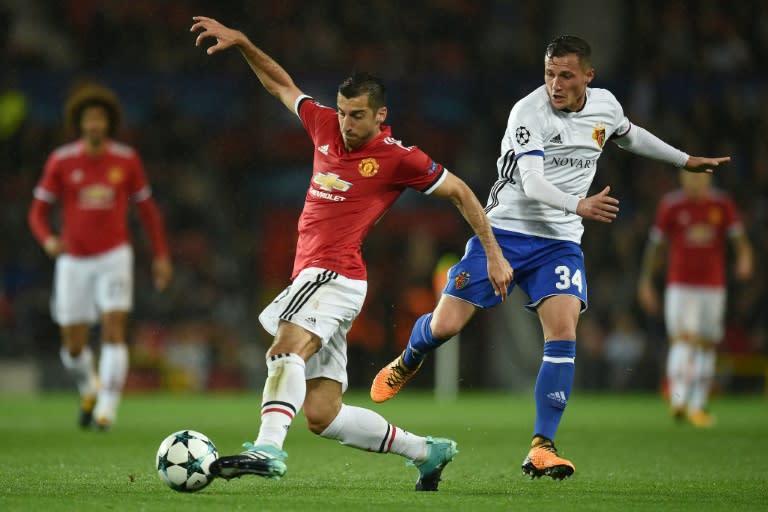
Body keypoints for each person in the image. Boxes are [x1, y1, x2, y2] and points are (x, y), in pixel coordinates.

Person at [370, 35, 731, 480]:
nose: (555, 84)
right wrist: (580, 205)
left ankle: (542, 445)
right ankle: (410, 357)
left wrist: (684, 160)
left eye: (565, 75)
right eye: (549, 74)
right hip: (503, 231)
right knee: (445, 327)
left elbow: (629, 135)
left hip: (559, 242)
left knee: (563, 333)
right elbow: (533, 183)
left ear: (588, 76)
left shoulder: (605, 106)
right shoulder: (528, 112)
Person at [190, 16, 513, 491]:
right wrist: (243, 44)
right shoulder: (323, 125)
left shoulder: (399, 158)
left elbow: (463, 192)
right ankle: (426, 451)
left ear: (382, 115)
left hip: (334, 273)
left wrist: (493, 254)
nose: (346, 122)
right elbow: (281, 85)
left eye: (357, 114)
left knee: (284, 347)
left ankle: (268, 447)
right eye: (342, 111)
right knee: (322, 413)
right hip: (318, 278)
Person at [28, 83, 172, 430]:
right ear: (79, 123)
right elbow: (36, 212)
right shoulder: (61, 161)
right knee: (74, 347)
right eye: (89, 119)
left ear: (109, 123)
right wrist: (48, 240)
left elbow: (148, 212)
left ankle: (107, 406)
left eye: (100, 119)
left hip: (114, 256)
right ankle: (88, 386)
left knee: (113, 328)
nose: (94, 125)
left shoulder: (126, 159)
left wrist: (161, 255)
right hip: (73, 260)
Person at [637, 170, 752, 427]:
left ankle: (698, 405)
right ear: (682, 179)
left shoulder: (721, 204)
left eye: (700, 178)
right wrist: (645, 281)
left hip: (713, 286)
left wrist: (745, 257)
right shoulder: (672, 205)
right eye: (690, 177)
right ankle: (678, 399)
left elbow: (738, 236)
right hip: (680, 285)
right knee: (682, 338)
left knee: (707, 343)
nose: (695, 182)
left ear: (708, 180)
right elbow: (656, 245)